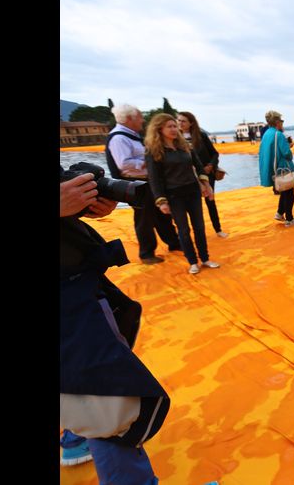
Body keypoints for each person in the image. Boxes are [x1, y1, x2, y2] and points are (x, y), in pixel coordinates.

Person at [60, 168, 170, 484]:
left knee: (85, 385)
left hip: (77, 284)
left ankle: (75, 437)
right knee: (108, 401)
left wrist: (83, 202)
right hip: (69, 301)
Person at [144, 113, 220, 275]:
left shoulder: (184, 146)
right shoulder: (154, 151)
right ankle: (192, 261)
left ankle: (205, 258)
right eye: (169, 126)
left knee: (199, 227)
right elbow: (154, 179)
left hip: (192, 191)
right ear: (159, 129)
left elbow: (198, 166)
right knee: (184, 230)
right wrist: (161, 201)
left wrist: (206, 185)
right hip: (173, 196)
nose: (174, 129)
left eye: (174, 126)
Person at [105, 103, 180, 264]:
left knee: (162, 214)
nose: (143, 120)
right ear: (129, 118)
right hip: (137, 184)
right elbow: (124, 164)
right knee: (144, 218)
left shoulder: (133, 135)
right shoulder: (119, 138)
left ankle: (174, 242)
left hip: (148, 181)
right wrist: (149, 163)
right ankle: (146, 253)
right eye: (140, 116)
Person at [177, 111, 227, 238]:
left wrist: (210, 166)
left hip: (206, 173)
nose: (180, 123)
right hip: (186, 177)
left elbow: (214, 153)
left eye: (183, 121)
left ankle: (218, 229)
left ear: (191, 123)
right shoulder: (175, 138)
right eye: (178, 120)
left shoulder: (201, 136)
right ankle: (192, 234)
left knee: (210, 201)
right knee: (190, 205)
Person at [259, 110, 294, 227]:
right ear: (277, 122)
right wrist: (289, 146)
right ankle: (289, 219)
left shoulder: (267, 134)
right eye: (281, 121)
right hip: (283, 167)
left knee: (284, 191)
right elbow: (286, 153)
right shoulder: (279, 134)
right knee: (289, 192)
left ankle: (279, 213)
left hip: (274, 168)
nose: (282, 123)